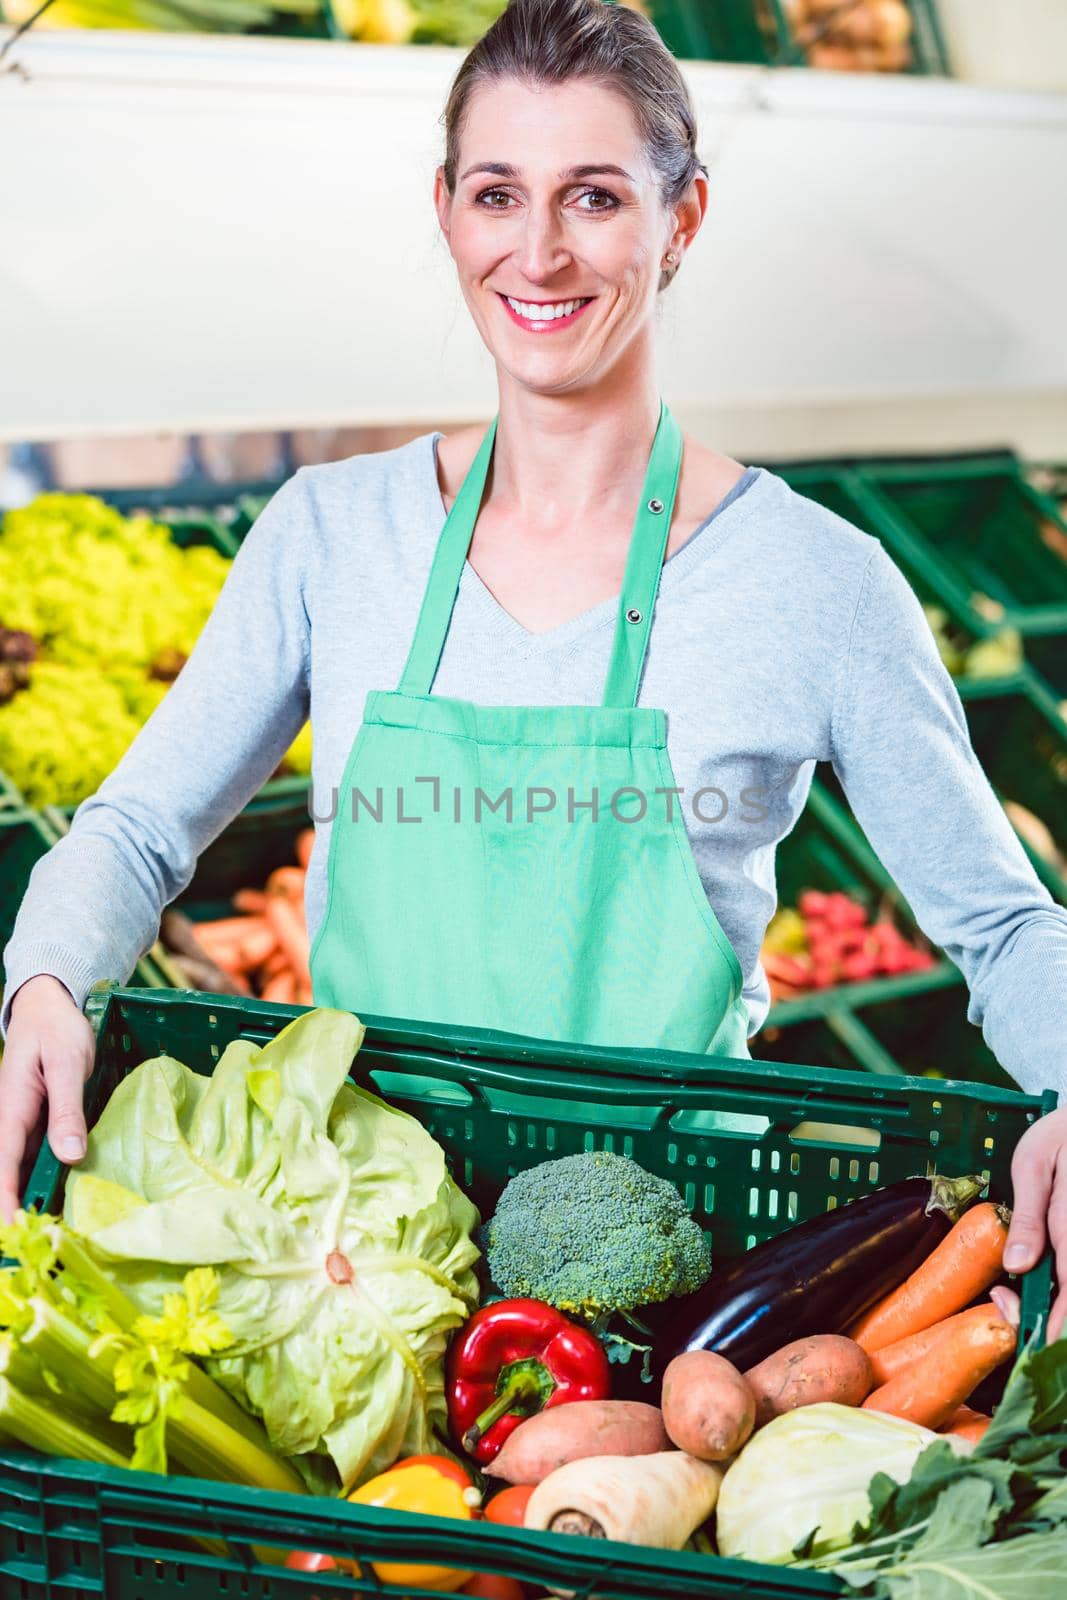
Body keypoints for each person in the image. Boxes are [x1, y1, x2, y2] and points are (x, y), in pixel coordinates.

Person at [2, 0, 1065, 1332]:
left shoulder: (819, 585)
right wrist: (45, 975)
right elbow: (142, 827)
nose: (540, 251)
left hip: (672, 1286)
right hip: (344, 1265)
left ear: (683, 220)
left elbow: (1006, 926)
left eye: (597, 198)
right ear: (446, 210)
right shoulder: (333, 535)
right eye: (499, 193)